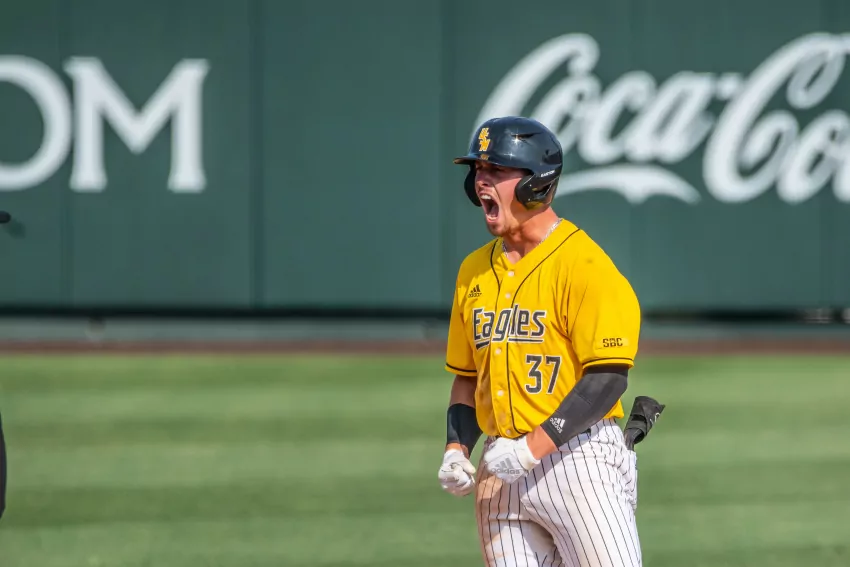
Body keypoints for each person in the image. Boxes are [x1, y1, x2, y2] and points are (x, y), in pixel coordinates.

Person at [438, 116, 643, 567]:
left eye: (496, 170)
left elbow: (608, 377)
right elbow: (468, 378)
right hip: (499, 466)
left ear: (537, 183)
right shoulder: (473, 271)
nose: (481, 181)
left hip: (579, 458)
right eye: (478, 171)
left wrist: (531, 449)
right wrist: (456, 449)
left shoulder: (585, 265)